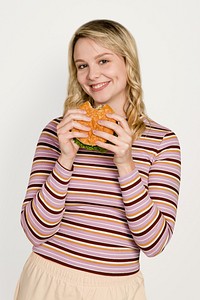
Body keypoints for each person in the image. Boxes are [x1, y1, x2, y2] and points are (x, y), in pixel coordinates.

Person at [14, 19, 181, 300]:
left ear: (128, 63)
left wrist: (126, 164)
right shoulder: (58, 132)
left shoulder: (162, 142)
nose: (92, 75)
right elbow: (35, 231)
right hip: (47, 281)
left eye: (103, 61)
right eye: (82, 65)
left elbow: (154, 243)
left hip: (115, 290)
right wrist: (65, 159)